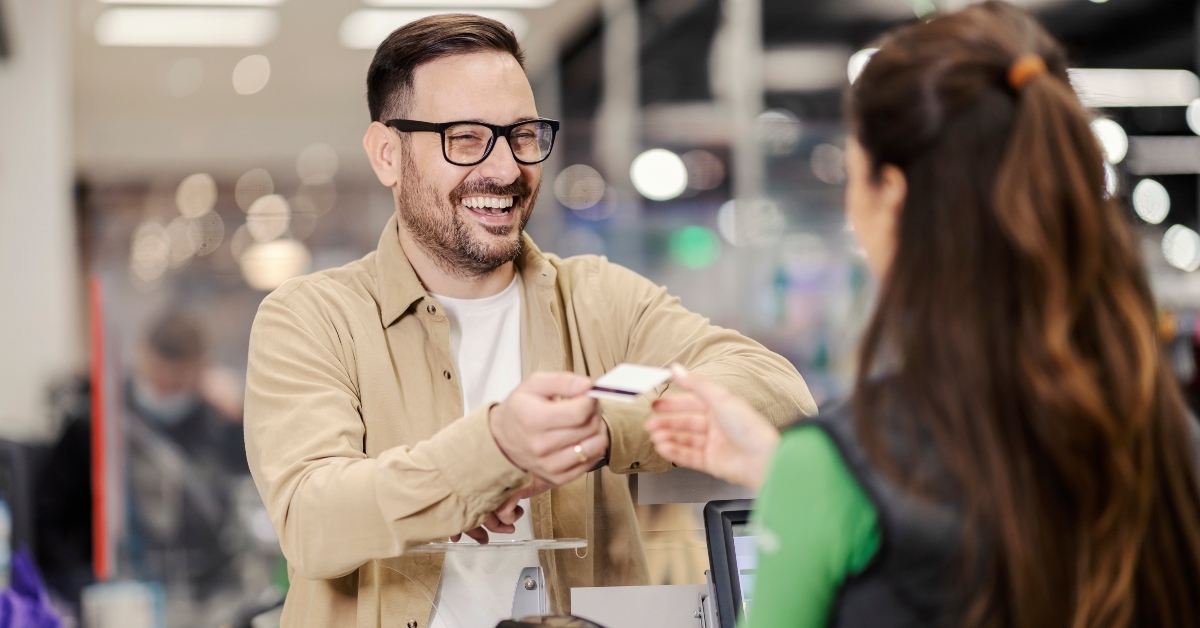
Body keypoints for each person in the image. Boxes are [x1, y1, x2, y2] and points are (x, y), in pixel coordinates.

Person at [242, 13, 816, 628]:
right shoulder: (311, 319)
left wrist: (604, 427)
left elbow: (778, 393)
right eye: (465, 138)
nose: (506, 168)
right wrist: (492, 452)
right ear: (388, 153)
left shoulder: (599, 298)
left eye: (522, 134)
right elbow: (312, 520)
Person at [647, 3, 1200, 627]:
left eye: (853, 178)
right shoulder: (1165, 434)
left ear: (895, 198)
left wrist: (810, 486)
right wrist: (793, 476)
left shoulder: (835, 470)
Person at [37, 311, 248, 615]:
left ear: (201, 369)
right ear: (141, 355)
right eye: (157, 375)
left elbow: (242, 498)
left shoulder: (213, 427)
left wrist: (236, 421)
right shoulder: (96, 424)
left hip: (203, 601)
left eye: (177, 381)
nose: (165, 388)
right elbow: (49, 520)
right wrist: (83, 588)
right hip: (115, 598)